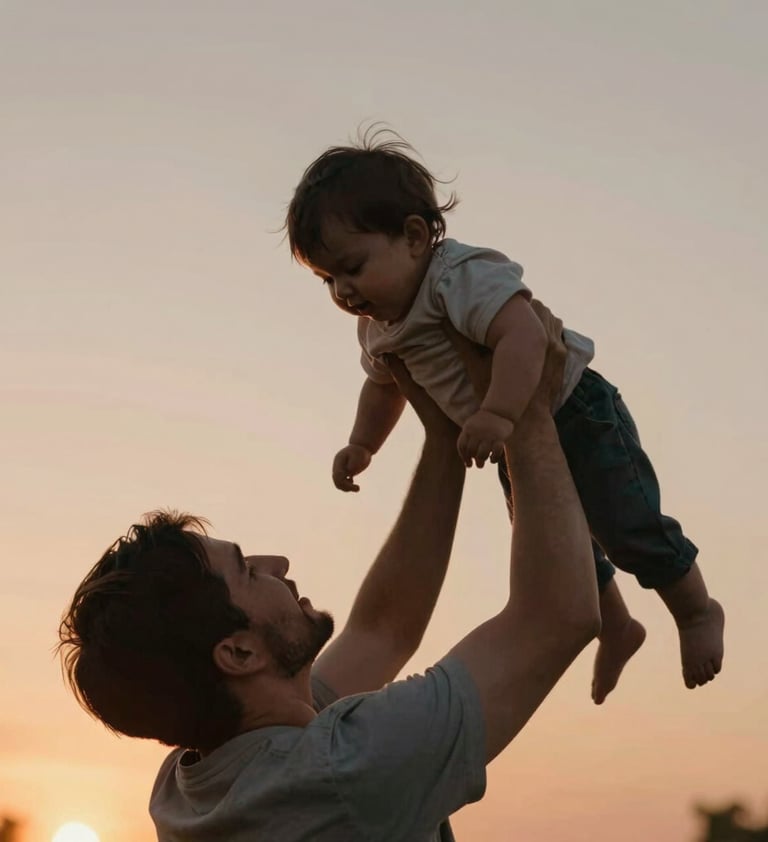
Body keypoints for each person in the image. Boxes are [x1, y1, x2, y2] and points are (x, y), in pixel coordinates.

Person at [59, 305, 601, 842]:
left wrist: (441, 438)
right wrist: (528, 415)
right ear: (240, 653)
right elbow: (557, 617)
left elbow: (384, 629)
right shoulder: (341, 774)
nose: (279, 565)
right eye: (248, 571)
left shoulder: (190, 786)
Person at [284, 128, 724, 701]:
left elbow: (523, 334)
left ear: (414, 236)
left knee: (624, 524)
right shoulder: (377, 326)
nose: (344, 290)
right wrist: (362, 445)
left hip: (571, 411)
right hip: (499, 434)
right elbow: (384, 388)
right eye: (328, 280)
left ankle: (694, 610)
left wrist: (498, 413)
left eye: (353, 267)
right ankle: (616, 624)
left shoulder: (455, 278)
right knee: (553, 544)